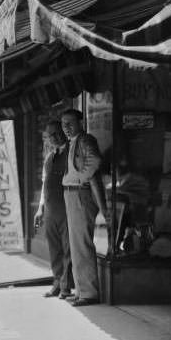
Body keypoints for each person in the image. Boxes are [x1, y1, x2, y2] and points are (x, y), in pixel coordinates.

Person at [60, 109, 104, 306]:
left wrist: (81, 179)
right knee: (76, 244)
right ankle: (81, 289)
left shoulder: (85, 140)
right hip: (71, 194)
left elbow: (94, 160)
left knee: (82, 244)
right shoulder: (74, 142)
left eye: (70, 123)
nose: (66, 127)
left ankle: (88, 293)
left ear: (81, 122)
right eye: (63, 124)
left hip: (79, 193)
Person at [33, 121, 73, 299]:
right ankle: (56, 283)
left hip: (66, 206)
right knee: (54, 248)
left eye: (58, 133)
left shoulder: (71, 153)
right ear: (47, 139)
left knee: (67, 247)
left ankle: (65, 287)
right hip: (50, 207)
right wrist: (40, 208)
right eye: (51, 135)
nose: (55, 137)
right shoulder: (49, 157)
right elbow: (44, 183)